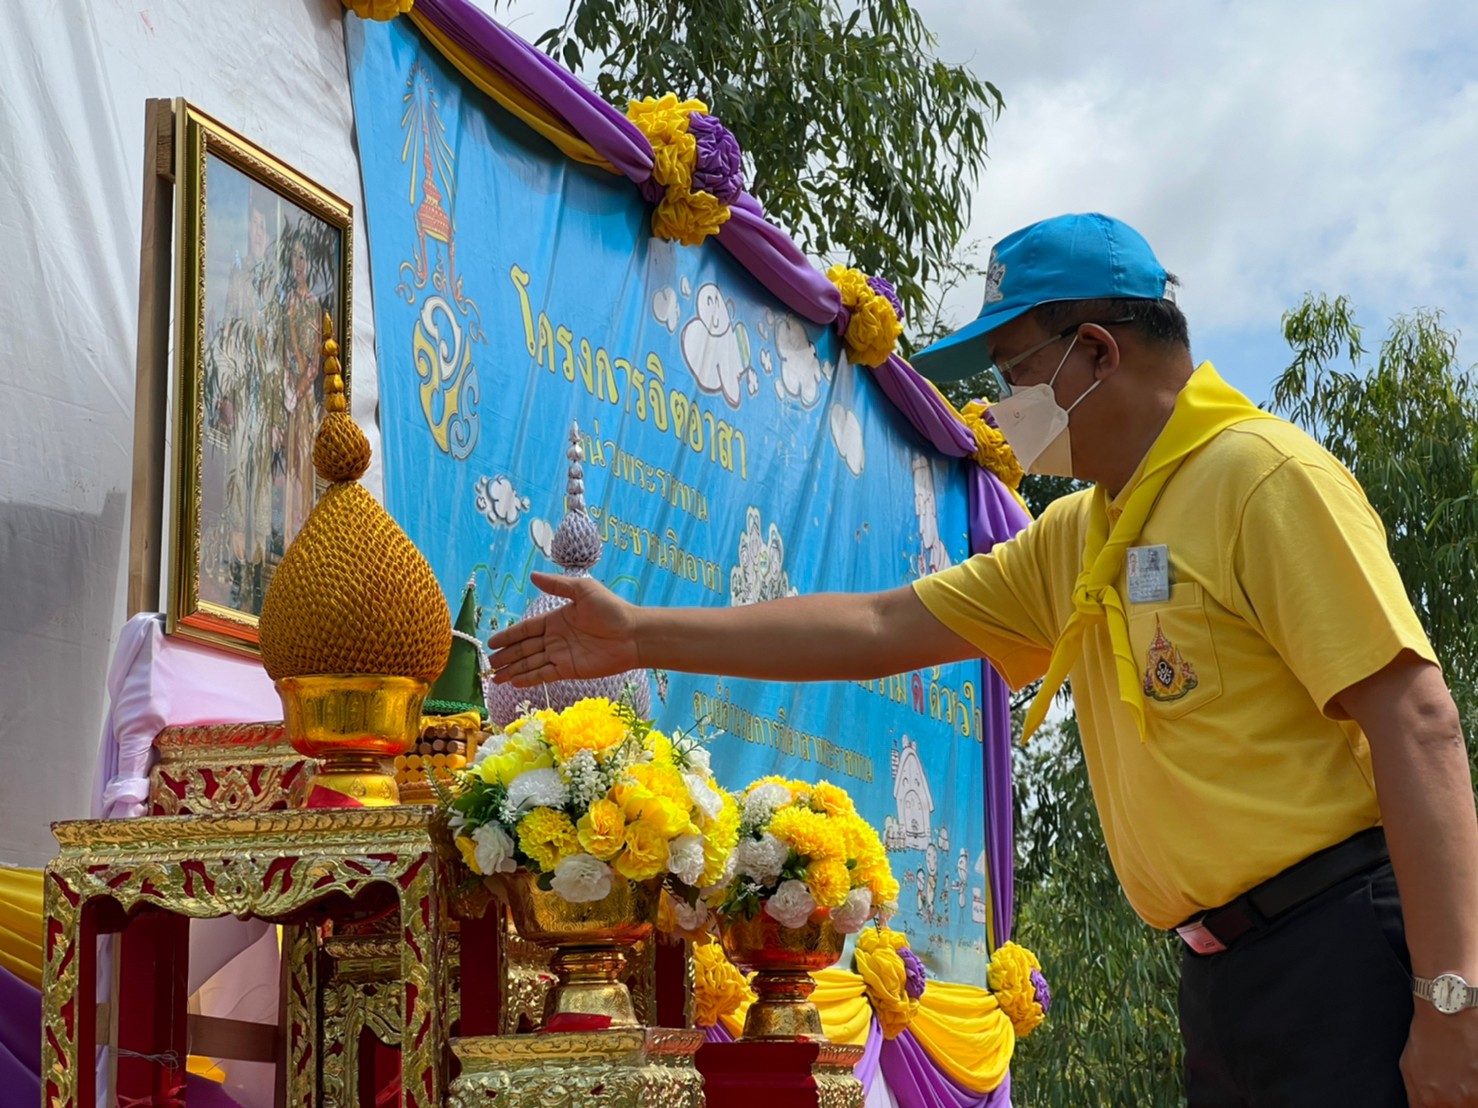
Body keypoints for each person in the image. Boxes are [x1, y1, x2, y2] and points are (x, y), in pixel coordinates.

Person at [488, 213, 1478, 1106]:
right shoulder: (1085, 532)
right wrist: (639, 633)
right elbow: (877, 628)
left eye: (1010, 374)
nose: (999, 408)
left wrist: (1449, 1003)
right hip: (1225, 975)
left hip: (1345, 950)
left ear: (1093, 350)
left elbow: (1416, 720)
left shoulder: (1262, 479)